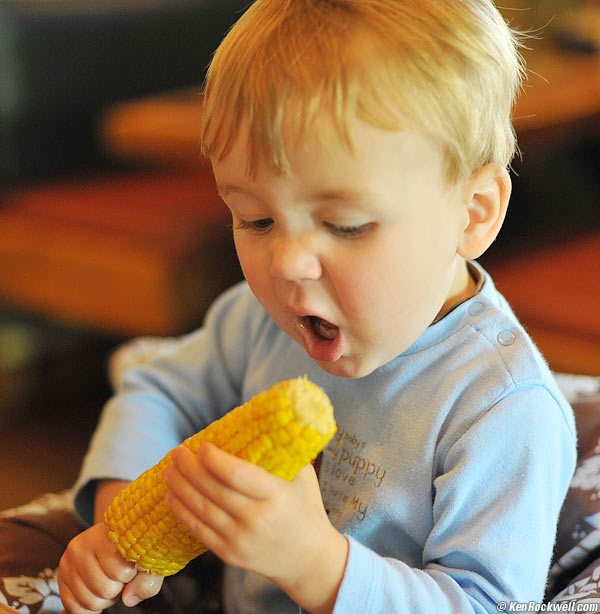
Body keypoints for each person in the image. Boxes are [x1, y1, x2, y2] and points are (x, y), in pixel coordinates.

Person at [57, 1, 577, 613]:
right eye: (256, 218)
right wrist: (120, 524)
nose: (287, 264)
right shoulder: (258, 322)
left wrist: (316, 564)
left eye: (345, 225)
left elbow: (483, 604)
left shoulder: (501, 409)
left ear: (473, 213)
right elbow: (160, 389)